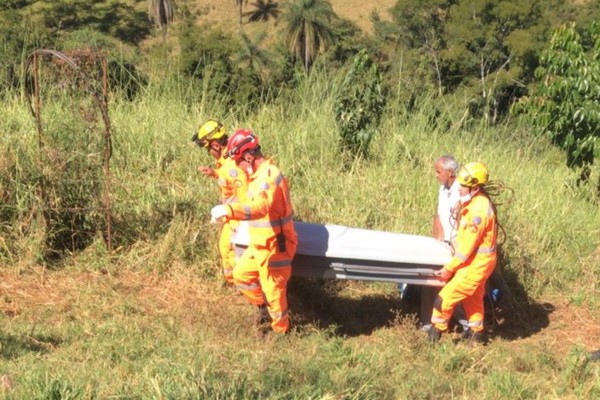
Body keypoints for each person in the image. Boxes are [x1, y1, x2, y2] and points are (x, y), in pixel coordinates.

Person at [210, 129, 297, 334]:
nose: (238, 166)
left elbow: (260, 207)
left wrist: (229, 210)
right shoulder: (255, 177)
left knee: (273, 290)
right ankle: (263, 310)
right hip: (259, 244)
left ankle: (281, 332)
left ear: (248, 157)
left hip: (276, 244)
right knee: (241, 276)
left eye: (239, 161)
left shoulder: (270, 176)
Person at [429, 162, 498, 344]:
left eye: (464, 186)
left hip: (477, 264)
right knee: (473, 299)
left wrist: (449, 268)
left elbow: (467, 246)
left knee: (444, 299)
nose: (459, 188)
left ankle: (436, 333)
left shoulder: (478, 210)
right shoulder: (475, 202)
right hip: (475, 262)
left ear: (475, 187)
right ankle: (477, 334)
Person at [192, 119, 247, 284]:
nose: (208, 152)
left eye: (208, 148)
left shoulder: (231, 166)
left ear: (215, 145)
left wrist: (238, 221)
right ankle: (236, 284)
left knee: (229, 250)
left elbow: (244, 193)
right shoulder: (225, 162)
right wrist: (214, 173)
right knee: (226, 248)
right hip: (233, 216)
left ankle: (240, 284)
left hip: (238, 218)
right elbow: (227, 180)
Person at [419, 155, 468, 332]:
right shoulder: (442, 189)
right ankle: (426, 322)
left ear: (450, 172)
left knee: (451, 288)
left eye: (438, 172)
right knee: (429, 283)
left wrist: (457, 248)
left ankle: (466, 325)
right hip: (443, 244)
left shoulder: (462, 191)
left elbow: (465, 221)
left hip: (457, 246)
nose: (436, 175)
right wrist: (436, 239)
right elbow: (438, 214)